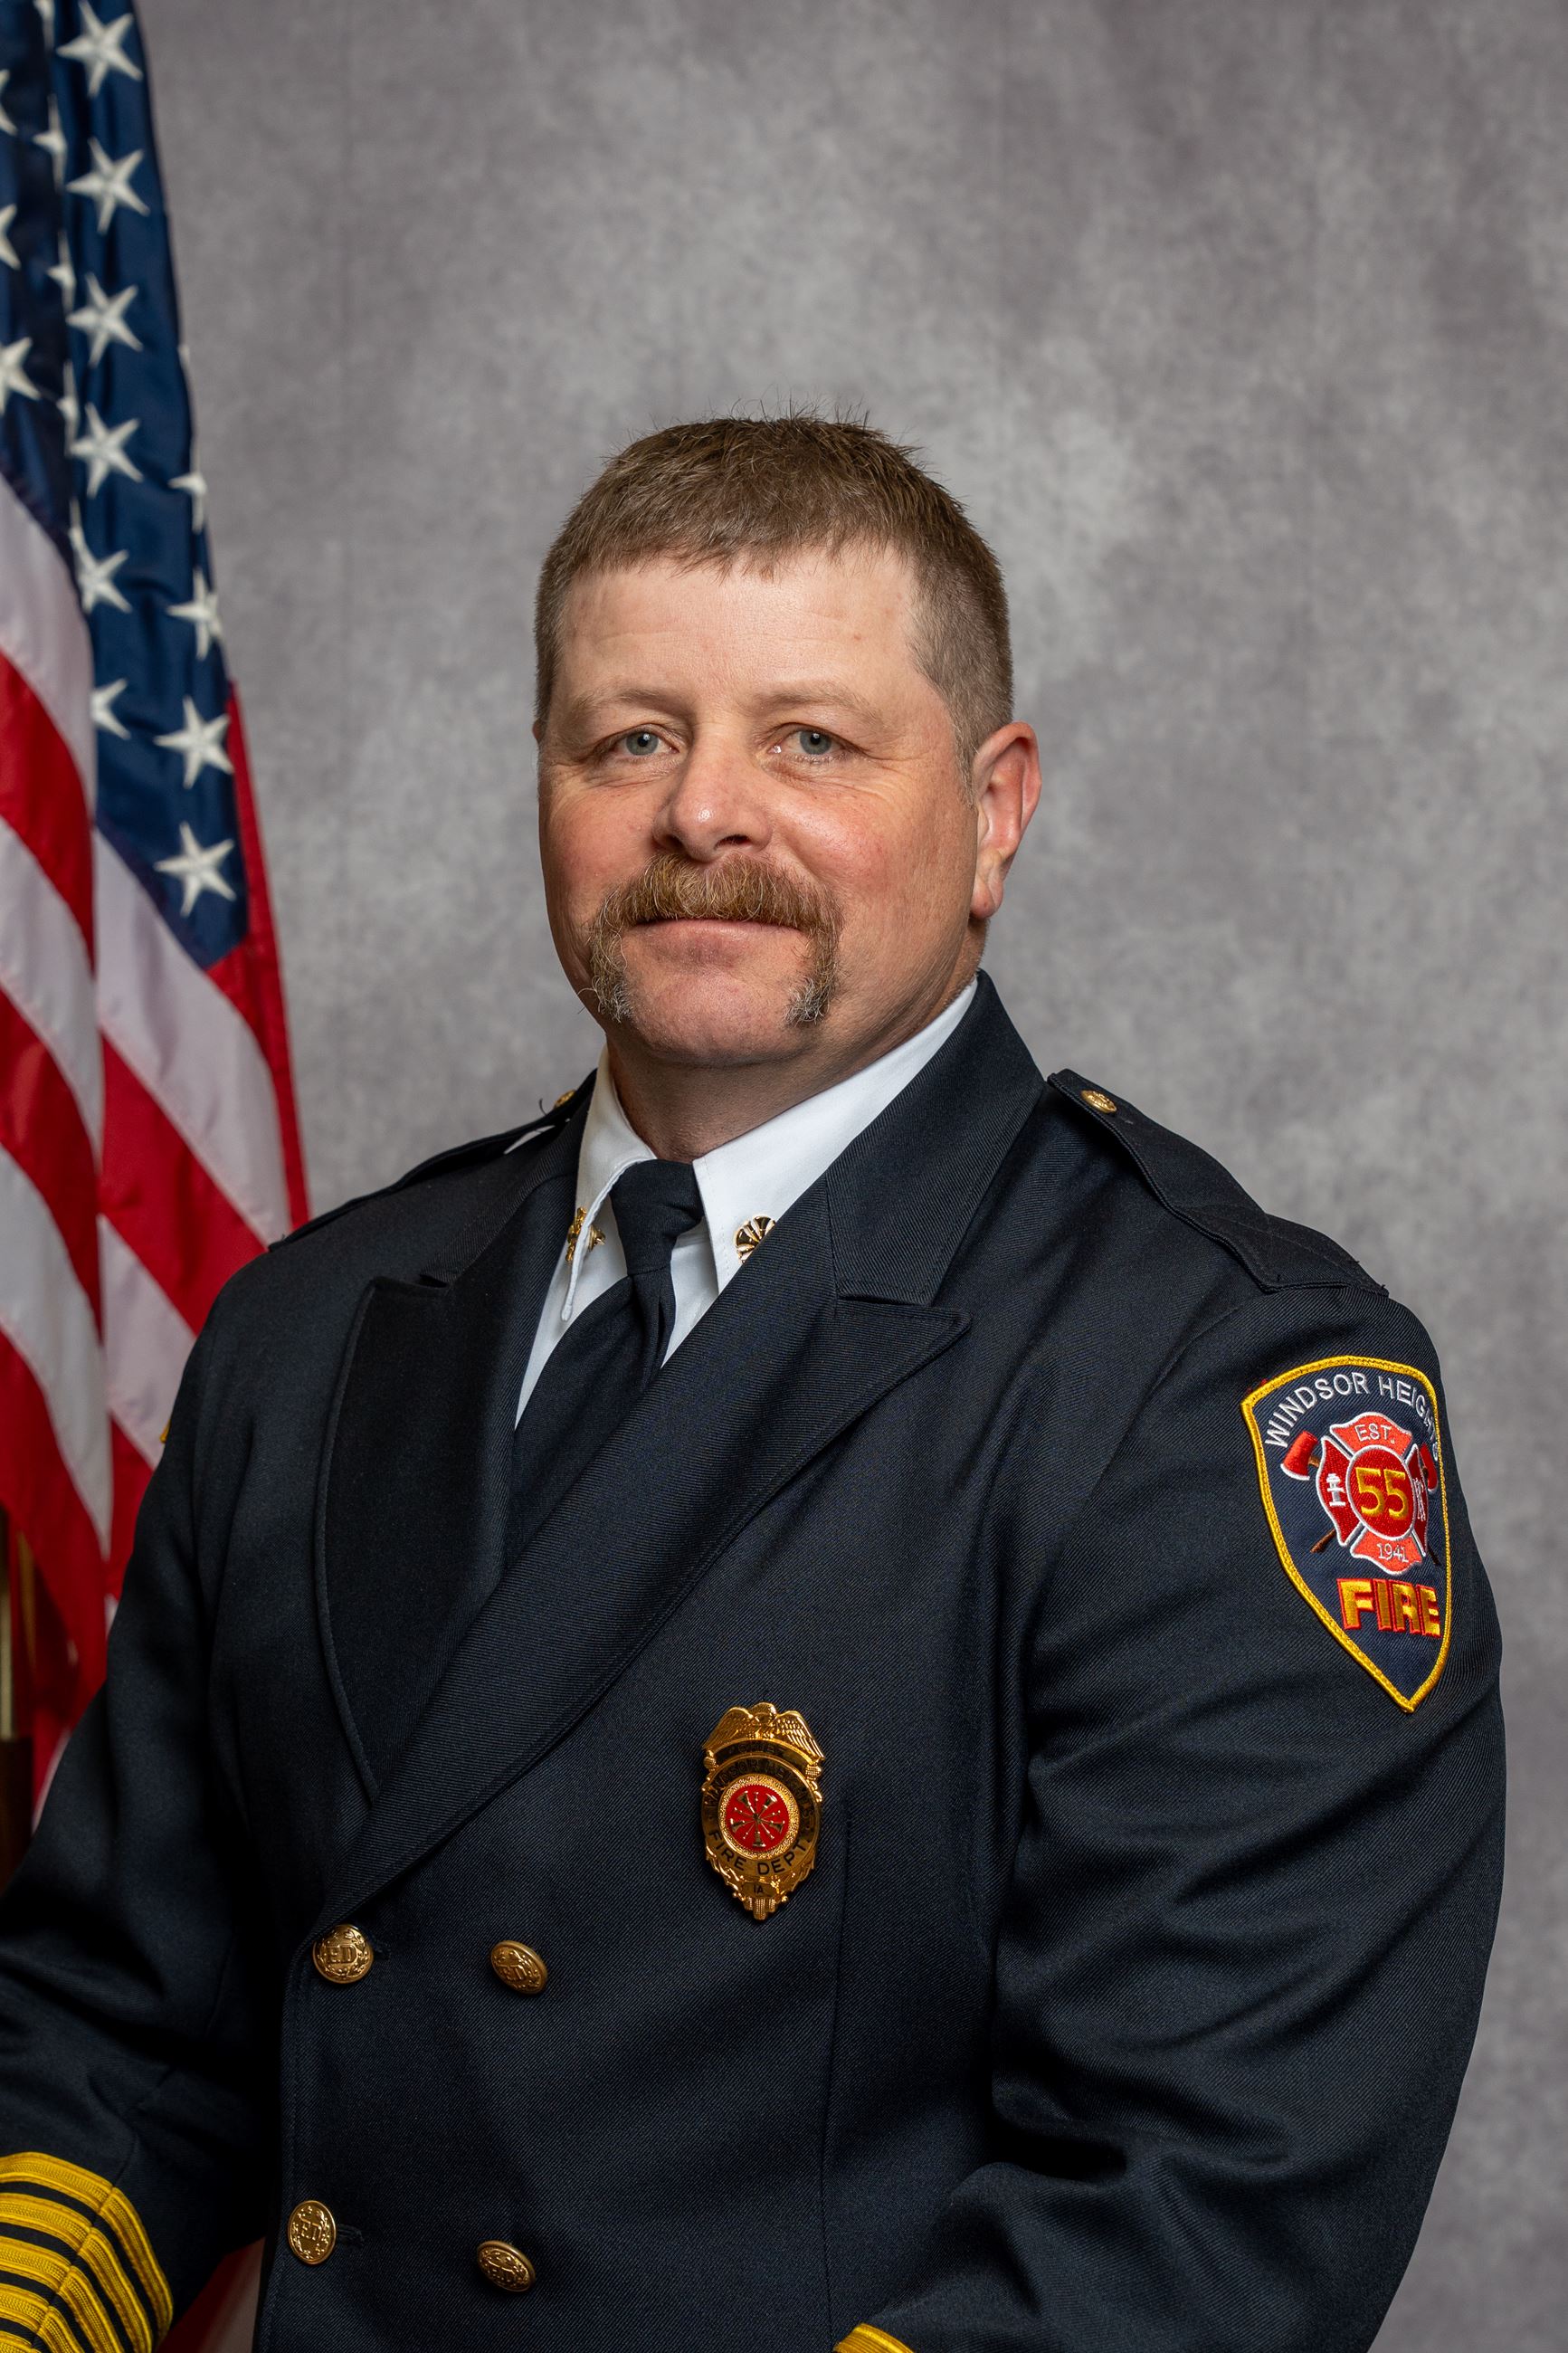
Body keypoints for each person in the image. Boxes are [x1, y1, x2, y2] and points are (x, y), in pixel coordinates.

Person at [0, 414, 1503, 2353]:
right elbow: (121, 2020)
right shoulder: (315, 1327)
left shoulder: (1215, 1383)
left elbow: (1199, 2215)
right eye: (632, 737)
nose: (704, 812)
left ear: (997, 808)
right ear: (547, 784)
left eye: (810, 740)